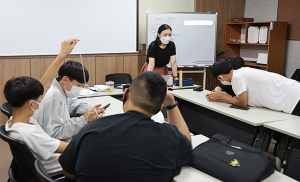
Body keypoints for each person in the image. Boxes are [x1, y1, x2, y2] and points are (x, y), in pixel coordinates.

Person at [59, 71, 192, 181]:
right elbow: (187, 145)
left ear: (125, 95)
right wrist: (172, 105)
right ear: (160, 108)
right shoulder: (170, 136)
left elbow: (68, 172)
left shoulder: (93, 126)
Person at [4, 39, 79, 173]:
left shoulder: (17, 118)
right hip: (60, 169)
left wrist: (62, 54)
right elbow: (67, 148)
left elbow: (45, 83)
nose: (42, 99)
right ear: (32, 104)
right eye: (41, 99)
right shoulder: (29, 133)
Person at [34, 60, 105, 142]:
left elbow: (76, 105)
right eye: (79, 85)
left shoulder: (63, 90)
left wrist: (93, 111)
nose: (80, 88)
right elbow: (54, 133)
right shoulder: (54, 96)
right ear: (65, 80)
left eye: (82, 86)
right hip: (55, 147)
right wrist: (84, 119)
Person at [206, 59, 300, 116]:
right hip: (294, 91)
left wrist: (222, 97)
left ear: (220, 77)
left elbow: (243, 103)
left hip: (293, 99)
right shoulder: (242, 72)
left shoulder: (237, 78)